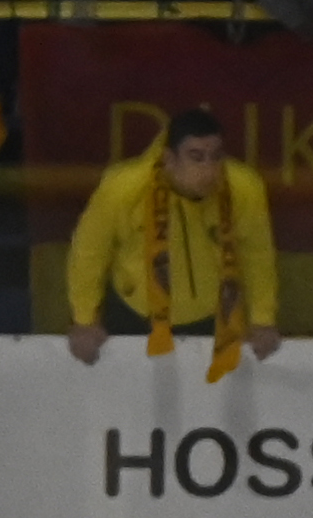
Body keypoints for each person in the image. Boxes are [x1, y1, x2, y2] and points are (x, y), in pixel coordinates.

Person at [62, 105, 280, 371]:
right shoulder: (123, 187)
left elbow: (257, 255)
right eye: (196, 157)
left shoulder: (244, 187)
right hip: (135, 313)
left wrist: (263, 320)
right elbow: (89, 253)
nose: (209, 169)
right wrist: (85, 320)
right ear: (169, 159)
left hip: (212, 316)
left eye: (216, 157)